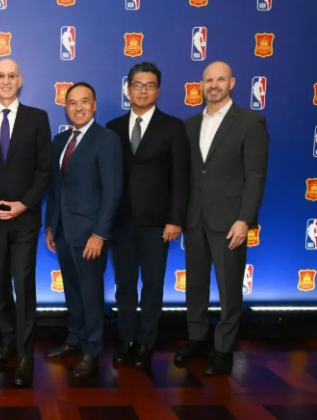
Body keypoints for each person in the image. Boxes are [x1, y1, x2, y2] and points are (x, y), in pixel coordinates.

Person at [175, 61, 269, 375]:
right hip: (194, 219)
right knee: (195, 285)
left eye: (220, 79)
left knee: (229, 288)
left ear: (232, 83)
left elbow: (255, 176)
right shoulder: (189, 124)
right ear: (201, 85)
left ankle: (224, 347)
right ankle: (196, 337)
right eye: (208, 80)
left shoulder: (250, 122)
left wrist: (245, 219)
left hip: (230, 222)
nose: (213, 85)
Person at [0, 58, 52, 386]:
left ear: (20, 80)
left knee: (24, 284)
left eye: (11, 76)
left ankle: (26, 353)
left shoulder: (38, 118)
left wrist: (24, 203)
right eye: (0, 76)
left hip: (25, 219)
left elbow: (44, 169)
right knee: (2, 284)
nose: (5, 81)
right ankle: (8, 343)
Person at [105, 62, 190, 369]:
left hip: (157, 223)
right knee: (124, 285)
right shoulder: (113, 127)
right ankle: (127, 339)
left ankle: (146, 342)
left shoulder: (173, 127)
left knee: (153, 285)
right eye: (137, 85)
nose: (143, 91)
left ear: (158, 90)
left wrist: (175, 219)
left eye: (149, 85)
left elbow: (180, 177)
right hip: (121, 222)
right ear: (128, 89)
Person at [44, 82, 123, 378]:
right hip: (63, 231)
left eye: (84, 101)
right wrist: (51, 225)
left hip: (90, 234)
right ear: (66, 107)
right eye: (72, 103)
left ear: (94, 105)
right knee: (73, 290)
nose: (78, 107)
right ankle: (74, 338)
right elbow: (56, 188)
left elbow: (112, 191)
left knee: (91, 293)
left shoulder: (107, 139)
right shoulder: (59, 141)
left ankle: (92, 348)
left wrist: (100, 234)